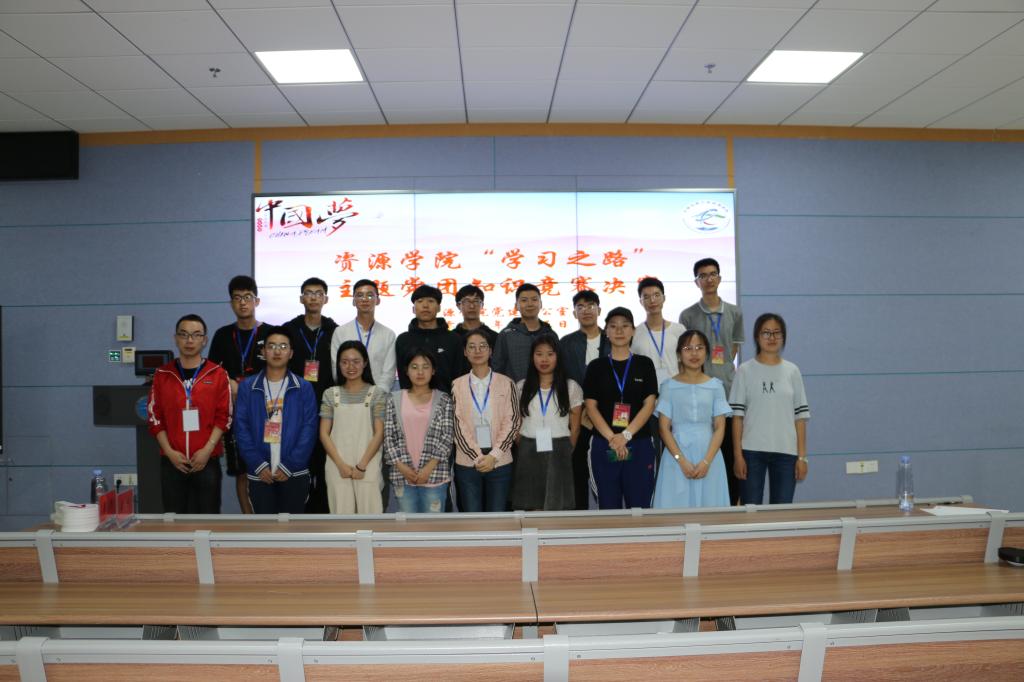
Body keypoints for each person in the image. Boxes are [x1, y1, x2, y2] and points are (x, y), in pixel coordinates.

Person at [147, 314, 230, 514]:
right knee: (174, 518)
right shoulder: (162, 374)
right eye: (184, 335)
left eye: (196, 335)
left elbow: (224, 416)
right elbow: (155, 417)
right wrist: (169, 452)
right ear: (176, 338)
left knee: (207, 517)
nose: (189, 340)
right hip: (172, 461)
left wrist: (207, 450)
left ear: (204, 340)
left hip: (206, 460)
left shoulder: (218, 373)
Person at [679, 258, 745, 505]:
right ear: (696, 282)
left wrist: (721, 368)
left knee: (729, 450)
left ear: (720, 278)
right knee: (703, 450)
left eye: (713, 274)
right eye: (703, 275)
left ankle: (731, 505)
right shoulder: (688, 315)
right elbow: (686, 352)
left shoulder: (735, 312)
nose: (708, 279)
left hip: (728, 390)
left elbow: (734, 349)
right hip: (699, 393)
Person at [233, 327, 318, 514]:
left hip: (294, 472)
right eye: (271, 346)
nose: (277, 351)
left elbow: (309, 429)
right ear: (263, 352)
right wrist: (257, 464)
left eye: (283, 346)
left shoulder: (303, 387)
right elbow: (241, 428)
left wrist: (290, 465)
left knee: (292, 527)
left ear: (291, 353)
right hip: (260, 473)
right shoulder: (248, 387)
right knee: (265, 527)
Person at [730, 313, 810, 505]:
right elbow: (737, 418)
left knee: (782, 512)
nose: (772, 338)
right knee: (751, 511)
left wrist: (802, 458)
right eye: (766, 333)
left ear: (783, 337)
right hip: (751, 452)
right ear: (757, 337)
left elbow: (800, 419)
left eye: (777, 333)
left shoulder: (792, 371)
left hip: (786, 452)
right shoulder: (744, 371)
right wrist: (738, 456)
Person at [583, 307, 659, 509]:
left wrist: (625, 435)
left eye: (625, 326)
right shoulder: (596, 366)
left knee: (640, 507)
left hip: (639, 442)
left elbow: (649, 404)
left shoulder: (644, 364)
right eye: (613, 326)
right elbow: (591, 407)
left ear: (633, 331)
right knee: (608, 507)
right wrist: (613, 438)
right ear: (606, 331)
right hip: (604, 444)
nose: (619, 331)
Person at [208, 275, 271, 514]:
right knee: (242, 471)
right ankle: (249, 520)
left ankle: (270, 518)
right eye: (237, 298)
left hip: (268, 413)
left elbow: (281, 368)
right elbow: (212, 372)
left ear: (257, 301)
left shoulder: (270, 333)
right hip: (236, 415)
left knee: (270, 464)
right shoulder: (222, 335)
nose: (243, 302)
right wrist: (229, 384)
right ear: (231, 303)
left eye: (247, 297)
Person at [652, 330, 731, 509]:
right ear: (679, 355)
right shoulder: (668, 386)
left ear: (707, 353)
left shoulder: (716, 386)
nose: (694, 353)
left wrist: (706, 462)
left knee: (710, 511)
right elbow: (664, 428)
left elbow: (720, 427)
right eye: (688, 348)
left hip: (709, 456)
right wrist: (681, 460)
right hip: (676, 456)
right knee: (675, 512)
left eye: (699, 348)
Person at [283, 276, 339, 513]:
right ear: (301, 298)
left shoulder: (335, 331)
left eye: (318, 293)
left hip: (328, 410)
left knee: (325, 466)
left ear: (325, 299)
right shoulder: (288, 330)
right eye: (309, 293)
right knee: (298, 464)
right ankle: (298, 516)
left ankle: (324, 517)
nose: (314, 297)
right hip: (295, 409)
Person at [451, 330, 520, 512]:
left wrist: (493, 456)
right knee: (472, 517)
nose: (477, 351)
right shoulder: (457, 385)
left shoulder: (507, 383)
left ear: (491, 351)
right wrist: (478, 457)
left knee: (497, 516)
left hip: (500, 460)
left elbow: (512, 422)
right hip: (467, 462)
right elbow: (457, 425)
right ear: (465, 352)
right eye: (471, 347)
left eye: (483, 346)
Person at [512, 334, 582, 511]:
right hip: (528, 448)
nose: (544, 359)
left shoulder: (571, 386)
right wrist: (524, 443)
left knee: (557, 506)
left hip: (559, 448)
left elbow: (575, 426)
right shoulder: (521, 386)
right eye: (539, 354)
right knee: (530, 506)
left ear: (558, 357)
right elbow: (516, 422)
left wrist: (566, 448)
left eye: (550, 354)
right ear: (532, 357)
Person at [383, 348, 455, 513]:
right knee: (407, 525)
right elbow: (388, 437)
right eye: (414, 367)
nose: (420, 372)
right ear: (406, 371)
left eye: (425, 367)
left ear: (433, 370)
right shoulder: (394, 399)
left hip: (434, 475)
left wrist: (428, 468)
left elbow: (447, 437)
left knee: (432, 525)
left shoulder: (443, 399)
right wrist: (402, 467)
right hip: (402, 475)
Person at [319, 341, 387, 514]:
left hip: (368, 463)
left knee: (370, 517)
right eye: (345, 362)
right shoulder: (330, 394)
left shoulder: (377, 394)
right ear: (338, 364)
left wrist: (362, 465)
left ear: (365, 363)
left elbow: (379, 433)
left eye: (356, 361)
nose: (351, 367)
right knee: (341, 518)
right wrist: (340, 464)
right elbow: (324, 433)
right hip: (337, 465)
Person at [560, 289, 609, 510]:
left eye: (591, 306)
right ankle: (578, 517)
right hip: (577, 417)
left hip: (608, 417)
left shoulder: (612, 339)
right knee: (577, 471)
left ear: (599, 310)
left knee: (607, 469)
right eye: (580, 307)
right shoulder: (566, 343)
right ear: (574, 313)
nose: (586, 310)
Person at [330, 278, 397, 390]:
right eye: (360, 295)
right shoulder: (340, 332)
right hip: (347, 394)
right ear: (353, 301)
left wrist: (376, 395)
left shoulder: (388, 335)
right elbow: (336, 367)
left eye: (370, 295)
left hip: (378, 396)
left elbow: (389, 373)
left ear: (378, 300)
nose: (365, 299)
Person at [394, 284, 462, 393]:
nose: (425, 305)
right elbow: (402, 375)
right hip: (411, 400)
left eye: (431, 301)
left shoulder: (453, 339)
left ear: (439, 307)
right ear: (413, 309)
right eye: (420, 301)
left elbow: (459, 376)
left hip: (447, 400)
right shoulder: (403, 340)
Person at [492, 283, 554, 382]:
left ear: (541, 304)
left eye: (534, 299)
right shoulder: (506, 335)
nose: (530, 304)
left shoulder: (550, 334)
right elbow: (497, 368)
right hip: (514, 390)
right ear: (516, 306)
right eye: (524, 300)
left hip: (546, 390)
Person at [632, 277, 685, 388]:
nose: (652, 300)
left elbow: (685, 363)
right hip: (646, 393)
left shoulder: (679, 330)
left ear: (663, 298)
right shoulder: (635, 333)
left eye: (656, 295)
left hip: (676, 390)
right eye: (646, 297)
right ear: (641, 302)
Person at [453, 284, 498, 350]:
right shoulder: (451, 337)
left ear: (482, 305)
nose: (472, 306)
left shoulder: (495, 337)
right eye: (466, 301)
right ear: (458, 305)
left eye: (476, 301)